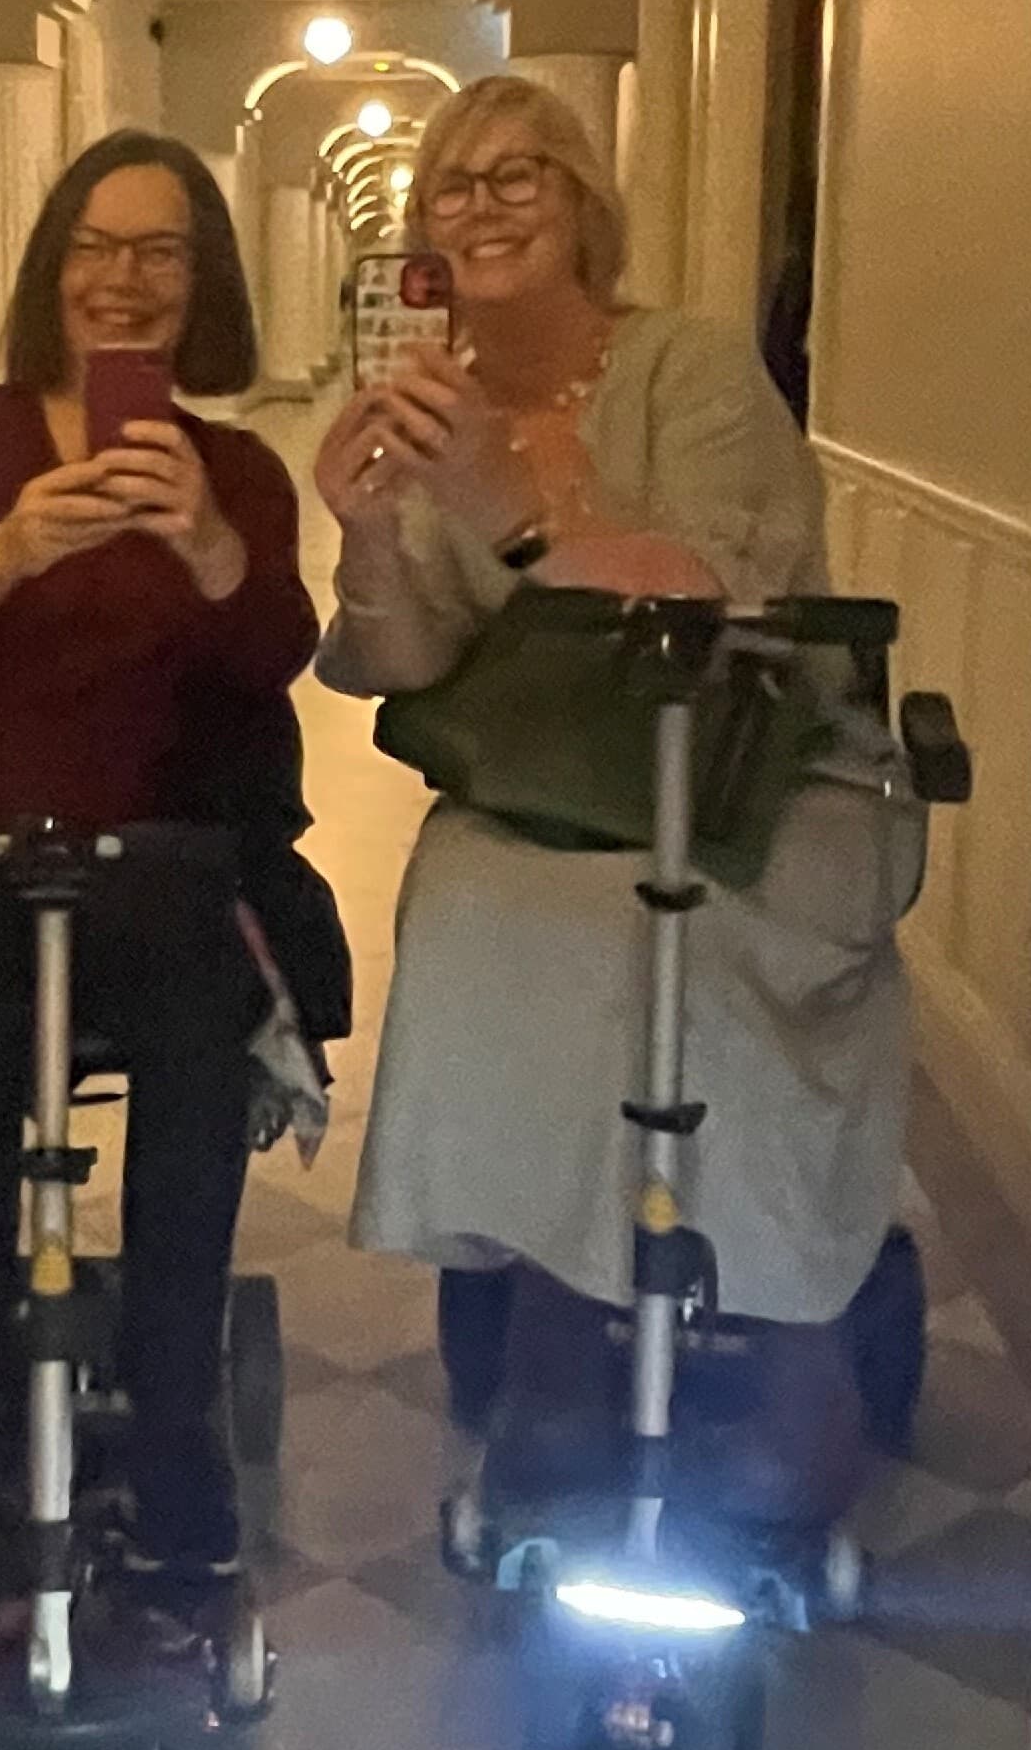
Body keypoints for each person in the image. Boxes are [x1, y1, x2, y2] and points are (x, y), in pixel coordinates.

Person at [312, 74, 914, 1523]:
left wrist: (507, 503)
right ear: (424, 240)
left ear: (586, 208)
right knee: (469, 905)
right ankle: (547, 1329)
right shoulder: (430, 399)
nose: (488, 202)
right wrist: (368, 538)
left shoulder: (689, 369)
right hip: (552, 781)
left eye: (524, 174)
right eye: (456, 183)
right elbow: (399, 665)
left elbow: (710, 582)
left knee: (696, 932)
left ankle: (791, 1341)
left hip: (754, 760)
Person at [0, 134, 318, 1623]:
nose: (122, 281)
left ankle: (179, 1436)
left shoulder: (231, 468)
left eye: (160, 252)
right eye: (95, 248)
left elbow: (276, 660)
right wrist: (1, 551)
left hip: (149, 858)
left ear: (203, 286)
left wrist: (215, 546)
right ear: (53, 267)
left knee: (196, 1075)